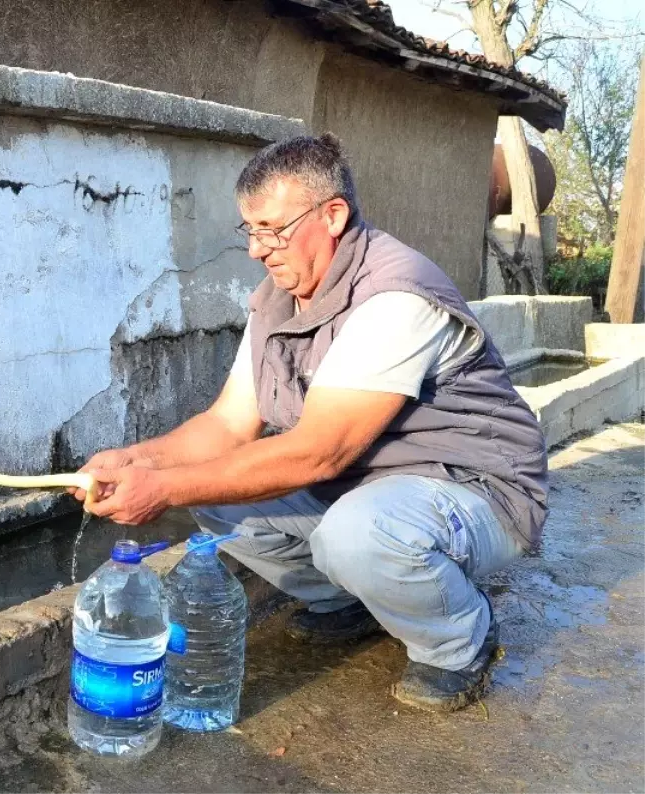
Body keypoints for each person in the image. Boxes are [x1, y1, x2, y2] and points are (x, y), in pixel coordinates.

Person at [73, 133, 548, 712]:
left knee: (358, 533)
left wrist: (164, 487)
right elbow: (226, 426)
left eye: (272, 229)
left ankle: (458, 641)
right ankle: (351, 602)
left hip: (476, 491)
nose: (257, 250)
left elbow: (319, 453)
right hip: (369, 486)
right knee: (220, 498)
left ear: (333, 216)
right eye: (250, 230)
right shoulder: (277, 300)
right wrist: (136, 461)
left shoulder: (393, 296)